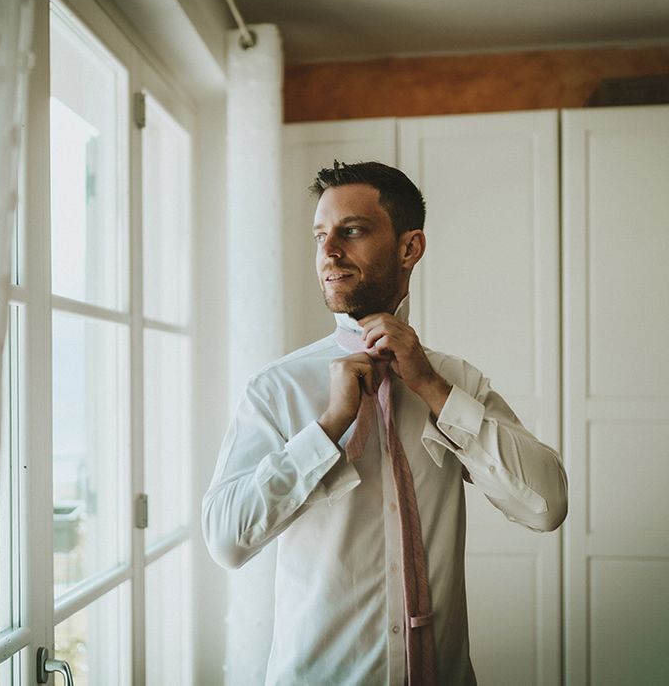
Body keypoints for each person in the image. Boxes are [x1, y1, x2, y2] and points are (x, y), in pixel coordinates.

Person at [202, 160, 568, 685]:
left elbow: (546, 505)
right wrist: (328, 427)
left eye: (350, 231)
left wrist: (432, 389)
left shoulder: (454, 379)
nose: (328, 252)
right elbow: (226, 541)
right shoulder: (277, 389)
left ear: (409, 247)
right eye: (320, 235)